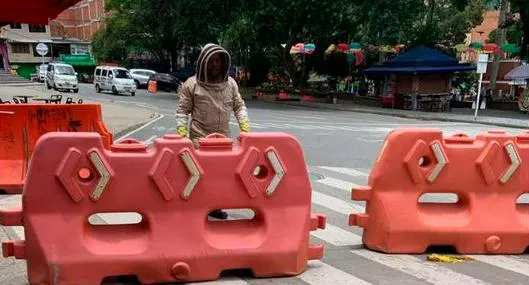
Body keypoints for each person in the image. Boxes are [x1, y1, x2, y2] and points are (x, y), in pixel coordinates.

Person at [175, 43, 250, 220]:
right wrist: (181, 135)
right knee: (199, 176)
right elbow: (182, 111)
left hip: (223, 140)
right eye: (211, 61)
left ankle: (216, 207)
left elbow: (239, 106)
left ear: (223, 63)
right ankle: (198, 207)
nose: (214, 65)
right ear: (203, 62)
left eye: (218, 61)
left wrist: (245, 128)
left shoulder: (231, 84)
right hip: (199, 139)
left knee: (221, 177)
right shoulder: (191, 85)